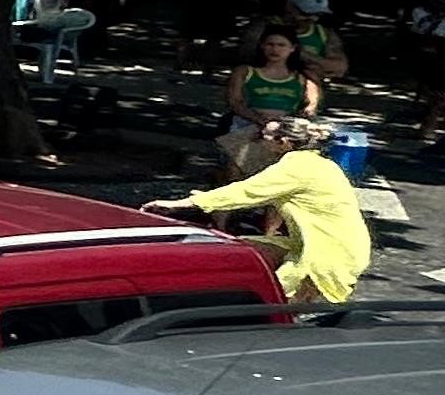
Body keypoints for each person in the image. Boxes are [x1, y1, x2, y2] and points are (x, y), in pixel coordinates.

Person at [151, 119, 371, 307]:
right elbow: (279, 202)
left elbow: (247, 191)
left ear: (282, 142)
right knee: (247, 249)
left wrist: (185, 203)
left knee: (273, 300)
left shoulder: (296, 168)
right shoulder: (319, 164)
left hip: (328, 251)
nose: (259, 139)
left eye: (265, 135)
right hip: (323, 243)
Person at [219, 26, 322, 174]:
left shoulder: (303, 77)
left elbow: (310, 106)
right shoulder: (245, 72)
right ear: (262, 46)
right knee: (235, 171)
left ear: (292, 48)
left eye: (281, 45)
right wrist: (262, 121)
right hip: (248, 122)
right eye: (270, 44)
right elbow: (235, 103)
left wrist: (286, 123)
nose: (275, 49)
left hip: (286, 127)